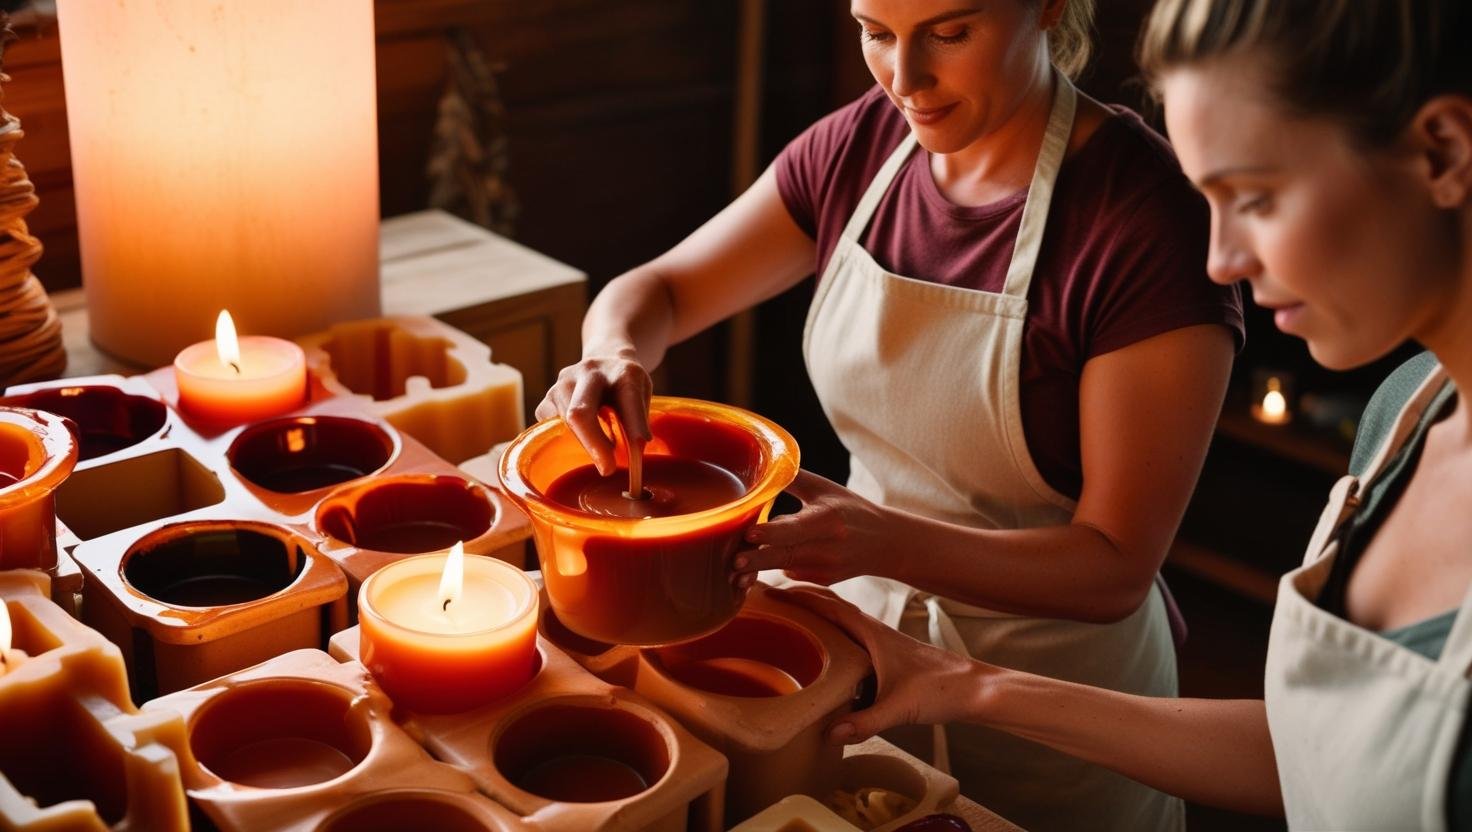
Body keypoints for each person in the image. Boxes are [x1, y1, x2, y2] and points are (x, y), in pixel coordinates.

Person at [536, 1, 1242, 828]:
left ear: (1047, 7)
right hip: (860, 648)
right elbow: (659, 290)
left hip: (1056, 710)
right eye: (875, 31)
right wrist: (613, 350)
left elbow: (1115, 567)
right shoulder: (865, 147)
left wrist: (884, 542)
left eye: (949, 32)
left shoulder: (1147, 225)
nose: (904, 80)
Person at [779, 0, 1472, 828]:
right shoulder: (1407, 412)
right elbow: (1323, 753)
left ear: (1443, 152)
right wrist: (962, 685)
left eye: (1253, 197)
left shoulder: (1130, 217)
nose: (1222, 261)